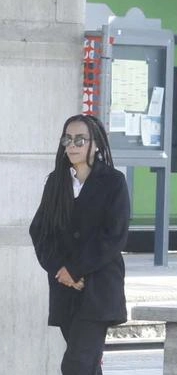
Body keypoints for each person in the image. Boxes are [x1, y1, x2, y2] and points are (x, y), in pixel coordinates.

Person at [29, 114, 130, 375]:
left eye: (79, 139)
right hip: (66, 291)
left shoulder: (113, 182)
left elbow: (114, 236)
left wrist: (75, 269)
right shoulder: (56, 182)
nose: (72, 145)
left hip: (99, 291)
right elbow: (40, 231)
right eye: (67, 139)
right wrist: (60, 271)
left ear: (94, 144)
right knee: (87, 366)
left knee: (76, 365)